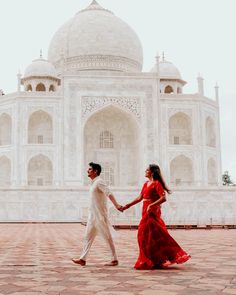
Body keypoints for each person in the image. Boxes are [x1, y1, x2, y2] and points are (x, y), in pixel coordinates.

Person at [122, 164, 191, 270]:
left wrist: (151, 205)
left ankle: (154, 259)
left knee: (147, 234)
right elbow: (140, 197)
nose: (145, 171)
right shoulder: (146, 184)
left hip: (152, 212)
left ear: (152, 172)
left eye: (147, 170)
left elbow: (163, 198)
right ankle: (154, 259)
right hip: (145, 211)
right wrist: (128, 205)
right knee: (149, 237)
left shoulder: (156, 183)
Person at [72, 162, 123, 266]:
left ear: (95, 171)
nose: (88, 171)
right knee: (88, 237)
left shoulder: (99, 182)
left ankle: (114, 259)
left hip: (99, 215)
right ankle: (83, 259)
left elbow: (109, 193)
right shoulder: (94, 183)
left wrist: (116, 205)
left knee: (107, 236)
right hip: (93, 215)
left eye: (90, 169)